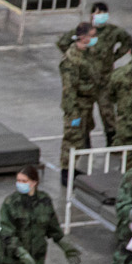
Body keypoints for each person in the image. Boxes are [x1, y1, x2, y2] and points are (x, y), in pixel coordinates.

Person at [66, 1, 131, 138]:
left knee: (107, 111)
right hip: (87, 82)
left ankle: (111, 138)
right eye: (98, 13)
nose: (101, 16)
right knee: (86, 114)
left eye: (104, 13)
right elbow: (63, 42)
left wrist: (115, 56)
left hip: (105, 80)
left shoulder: (113, 31)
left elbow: (127, 40)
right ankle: (85, 140)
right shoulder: (85, 30)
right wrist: (74, 56)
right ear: (92, 15)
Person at [58, 23, 103, 177]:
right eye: (92, 35)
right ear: (83, 38)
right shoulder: (71, 60)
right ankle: (66, 171)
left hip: (87, 103)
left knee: (82, 134)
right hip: (76, 106)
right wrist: (73, 113)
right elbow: (69, 89)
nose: (95, 38)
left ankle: (72, 167)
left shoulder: (88, 52)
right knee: (72, 138)